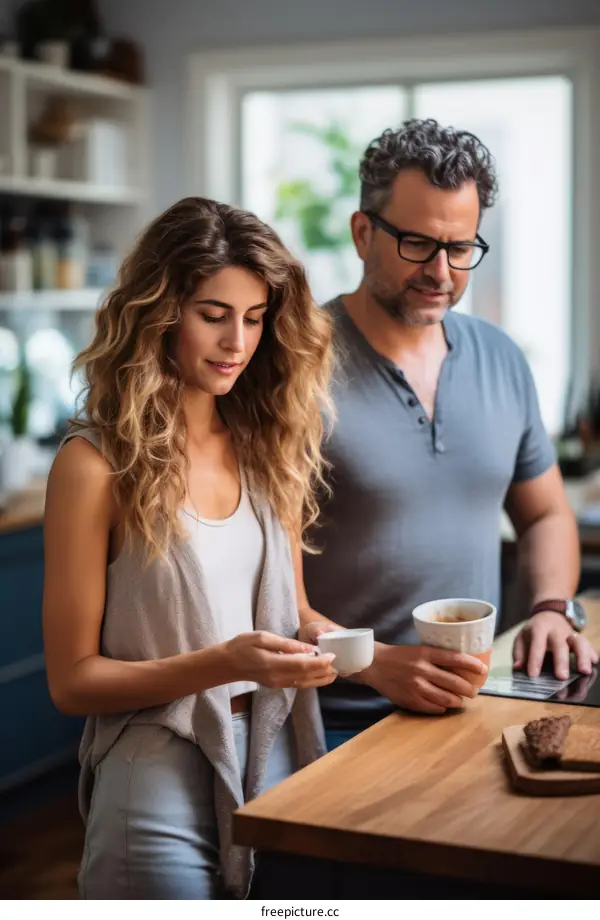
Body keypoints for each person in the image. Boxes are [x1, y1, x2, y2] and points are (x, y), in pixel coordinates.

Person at [42, 197, 338, 899]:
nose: (238, 340)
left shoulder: (271, 450)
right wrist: (221, 662)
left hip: (274, 760)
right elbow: (72, 680)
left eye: (255, 318)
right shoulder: (93, 467)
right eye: (214, 314)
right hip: (155, 778)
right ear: (160, 311)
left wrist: (355, 650)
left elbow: (295, 613)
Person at [298, 118, 598, 750]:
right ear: (361, 233)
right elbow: (258, 575)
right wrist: (370, 661)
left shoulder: (501, 358)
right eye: (417, 244)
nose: (441, 271)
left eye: (461, 248)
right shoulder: (292, 367)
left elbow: (544, 514)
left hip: (475, 704)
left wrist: (550, 607)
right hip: (331, 717)